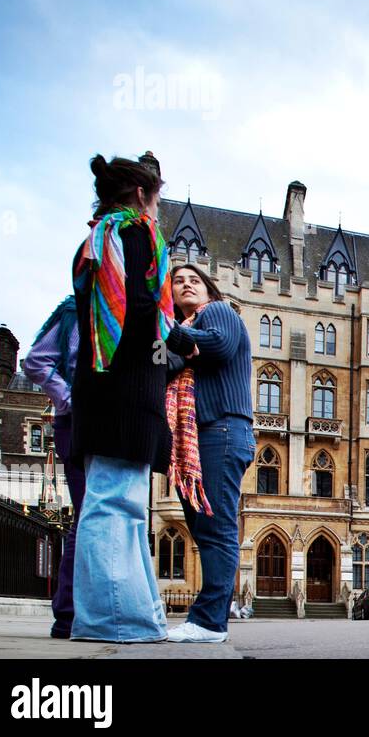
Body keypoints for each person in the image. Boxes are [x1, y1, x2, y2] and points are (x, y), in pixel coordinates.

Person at [69, 153, 198, 643]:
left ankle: (128, 616)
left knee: (112, 504)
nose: (158, 207)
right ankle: (115, 620)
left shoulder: (94, 241)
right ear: (144, 194)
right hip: (124, 392)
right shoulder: (136, 233)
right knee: (116, 505)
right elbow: (145, 313)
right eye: (158, 197)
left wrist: (170, 354)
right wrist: (183, 344)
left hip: (100, 388)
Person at [164, 263, 254, 643]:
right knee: (204, 528)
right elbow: (162, 365)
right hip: (196, 440)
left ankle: (210, 622)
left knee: (216, 529)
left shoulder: (217, 311)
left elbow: (218, 346)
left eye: (193, 281)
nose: (185, 285)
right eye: (178, 282)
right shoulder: (182, 334)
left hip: (223, 429)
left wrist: (170, 333)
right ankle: (206, 619)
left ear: (208, 289)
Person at [22, 296, 82, 639]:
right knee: (89, 515)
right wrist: (69, 398)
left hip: (111, 426)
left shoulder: (129, 311)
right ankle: (68, 615)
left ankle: (74, 613)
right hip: (76, 424)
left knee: (92, 516)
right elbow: (36, 361)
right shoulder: (75, 310)